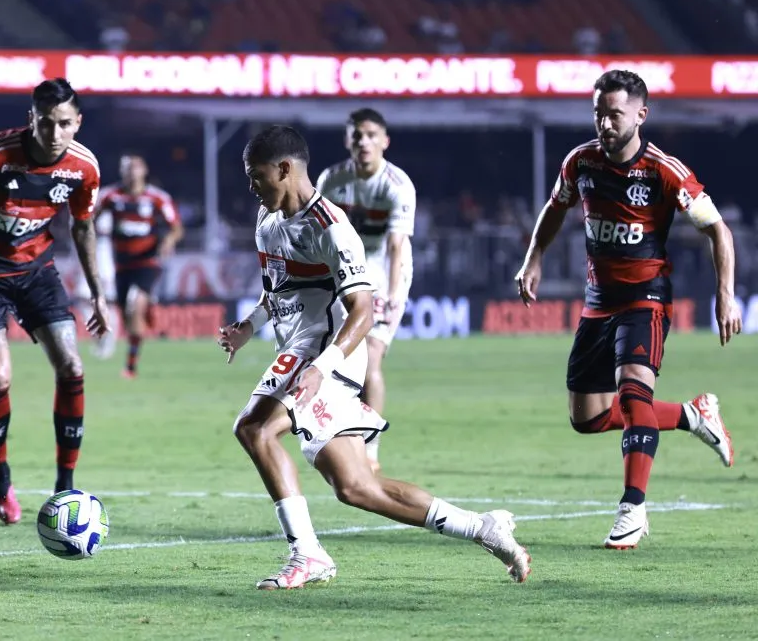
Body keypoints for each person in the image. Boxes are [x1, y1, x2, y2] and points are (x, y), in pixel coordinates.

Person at [218, 125, 530, 590]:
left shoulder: (331, 227)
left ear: (283, 169)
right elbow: (276, 290)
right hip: (302, 352)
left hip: (326, 353)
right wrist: (248, 326)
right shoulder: (267, 220)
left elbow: (362, 312)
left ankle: (307, 554)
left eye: (255, 175)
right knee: (356, 487)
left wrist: (320, 369)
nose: (251, 186)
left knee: (254, 428)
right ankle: (482, 528)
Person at [514, 69, 741, 550]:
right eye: (598, 113)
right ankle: (691, 414)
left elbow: (717, 230)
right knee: (588, 417)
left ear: (641, 115)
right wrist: (533, 258)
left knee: (634, 393)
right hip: (598, 302)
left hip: (646, 298)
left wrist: (725, 294)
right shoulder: (580, 162)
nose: (604, 123)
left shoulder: (664, 170)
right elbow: (555, 207)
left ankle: (632, 508)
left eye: (614, 114)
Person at [0, 78, 109, 525]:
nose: (54, 134)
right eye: (45, 123)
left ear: (78, 122)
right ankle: (1, 476)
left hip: (36, 271)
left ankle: (64, 488)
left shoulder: (84, 168)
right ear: (31, 119)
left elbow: (83, 227)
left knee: (72, 367)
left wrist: (98, 294)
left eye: (64, 124)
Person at [316, 109, 416, 472]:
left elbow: (395, 245)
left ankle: (370, 451)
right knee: (337, 359)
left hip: (386, 273)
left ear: (385, 141)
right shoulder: (331, 179)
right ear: (348, 141)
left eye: (372, 135)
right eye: (357, 135)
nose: (364, 142)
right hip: (345, 271)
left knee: (371, 358)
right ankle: (339, 436)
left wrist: (390, 295)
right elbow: (319, 232)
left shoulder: (397, 185)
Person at [94, 151, 183, 378]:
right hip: (121, 264)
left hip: (147, 261)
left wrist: (168, 241)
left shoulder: (157, 198)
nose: (131, 173)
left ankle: (130, 366)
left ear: (144, 171)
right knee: (126, 314)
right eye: (127, 168)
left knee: (135, 305)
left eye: (135, 168)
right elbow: (90, 219)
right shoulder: (110, 196)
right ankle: (146, 308)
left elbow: (176, 228)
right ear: (121, 172)